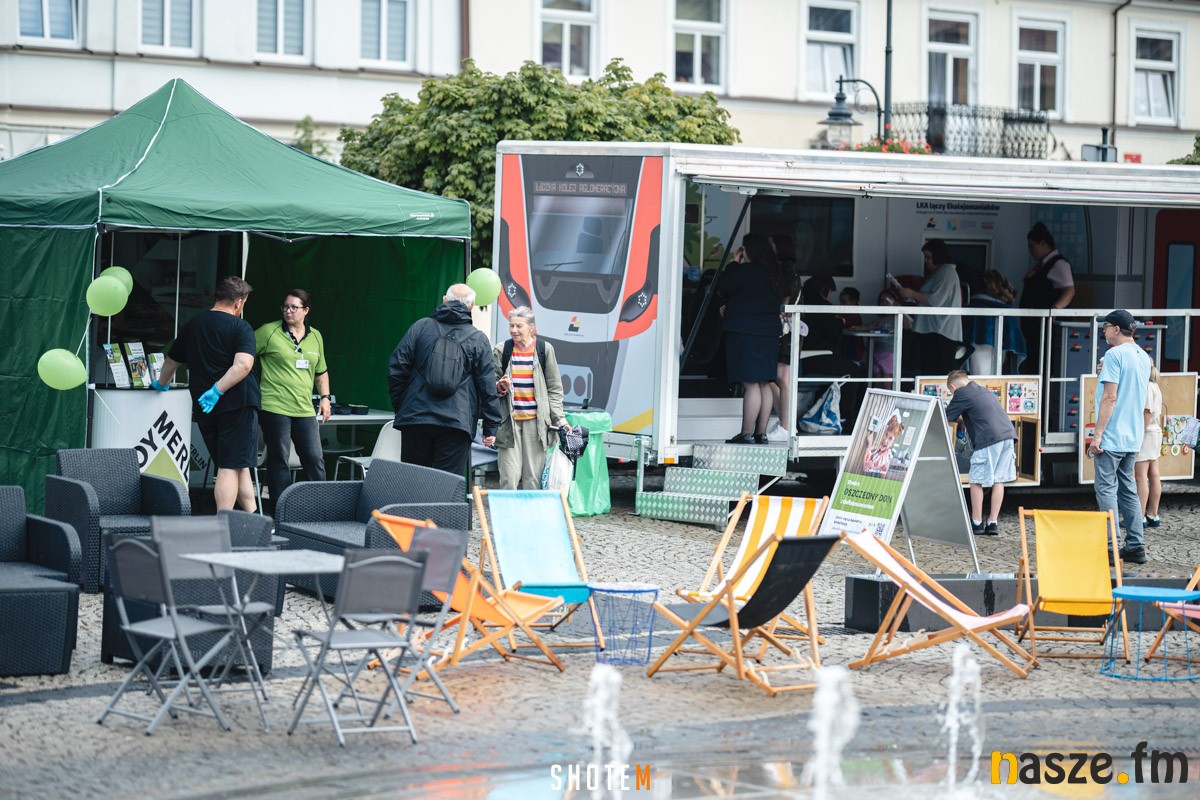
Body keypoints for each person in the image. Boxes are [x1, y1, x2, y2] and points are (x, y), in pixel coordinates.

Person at [153, 276, 260, 512]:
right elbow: (243, 365)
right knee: (229, 466)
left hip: (205, 405)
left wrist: (161, 384)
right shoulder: (240, 327)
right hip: (236, 404)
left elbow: (171, 361)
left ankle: (254, 519)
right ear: (239, 302)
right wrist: (217, 390)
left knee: (238, 464)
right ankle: (223, 522)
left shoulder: (193, 325)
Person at [387, 283, 501, 477]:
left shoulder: (421, 327)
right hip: (457, 422)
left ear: (445, 300)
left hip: (416, 417)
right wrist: (490, 427)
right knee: (447, 484)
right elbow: (487, 385)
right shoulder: (478, 338)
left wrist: (402, 405)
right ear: (472, 306)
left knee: (412, 482)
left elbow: (397, 367)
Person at [254, 289, 332, 509]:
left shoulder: (316, 336)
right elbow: (243, 355)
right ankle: (282, 511)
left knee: (314, 459)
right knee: (279, 459)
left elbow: (321, 371)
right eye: (285, 307)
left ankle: (320, 510)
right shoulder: (268, 332)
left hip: (304, 409)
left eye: (294, 307)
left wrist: (325, 398)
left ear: (306, 310)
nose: (288, 311)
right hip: (274, 406)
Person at [717, 233, 797, 444]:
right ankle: (761, 433)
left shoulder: (745, 271)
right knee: (764, 382)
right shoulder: (775, 273)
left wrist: (734, 262)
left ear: (748, 250)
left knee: (750, 383)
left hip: (744, 331)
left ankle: (746, 433)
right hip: (769, 332)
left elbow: (723, 286)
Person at [1088, 310, 1151, 564]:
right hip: (1132, 435)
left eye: (1105, 327)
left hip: (1112, 435)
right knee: (1128, 490)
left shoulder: (1114, 354)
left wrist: (1097, 435)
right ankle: (1136, 544)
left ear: (1116, 329)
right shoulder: (1143, 356)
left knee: (1106, 489)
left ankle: (1111, 545)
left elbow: (1110, 397)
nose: (1103, 331)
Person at [493, 306, 569, 489]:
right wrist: (500, 386)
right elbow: (489, 387)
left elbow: (554, 388)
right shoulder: (501, 350)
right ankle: (507, 509)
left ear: (531, 328)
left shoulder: (544, 349)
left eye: (519, 326)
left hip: (536, 424)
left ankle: (531, 509)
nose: (514, 330)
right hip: (508, 423)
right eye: (511, 325)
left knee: (533, 479)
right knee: (508, 478)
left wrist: (559, 419)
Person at [944, 370, 1017, 535]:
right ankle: (992, 523)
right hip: (1008, 436)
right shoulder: (983, 391)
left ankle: (976, 522)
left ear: (953, 387)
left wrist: (960, 420)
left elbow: (946, 417)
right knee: (999, 480)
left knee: (976, 480)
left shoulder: (961, 393)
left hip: (988, 439)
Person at [899, 239, 962, 375]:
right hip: (933, 330)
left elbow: (935, 300)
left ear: (938, 256)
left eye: (928, 257)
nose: (926, 261)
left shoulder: (947, 273)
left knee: (937, 373)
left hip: (941, 332)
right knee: (929, 372)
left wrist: (913, 294)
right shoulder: (939, 273)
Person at [1019, 221, 1075, 375]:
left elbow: (1069, 291)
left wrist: (1054, 310)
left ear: (1043, 243)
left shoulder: (1059, 264)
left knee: (1045, 366)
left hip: (1047, 329)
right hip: (1035, 330)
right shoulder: (1042, 265)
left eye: (1032, 246)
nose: (1030, 250)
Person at [766, 233, 802, 442]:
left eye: (772, 245)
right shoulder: (789, 268)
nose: (769, 248)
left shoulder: (786, 268)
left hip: (787, 331)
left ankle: (786, 425)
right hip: (789, 331)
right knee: (777, 378)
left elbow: (788, 293)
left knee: (780, 379)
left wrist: (781, 308)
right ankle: (786, 423)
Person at [966, 270, 1026, 375]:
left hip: (978, 346)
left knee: (980, 374)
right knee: (995, 374)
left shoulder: (974, 305)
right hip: (1000, 346)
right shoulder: (1006, 309)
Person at [1136, 365, 1164, 530]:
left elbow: (1146, 412)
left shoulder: (1146, 386)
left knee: (1140, 477)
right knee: (1154, 474)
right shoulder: (1155, 386)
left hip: (1146, 433)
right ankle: (1153, 514)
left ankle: (1139, 518)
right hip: (1156, 432)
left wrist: (1139, 435)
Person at [863, 411, 903, 478]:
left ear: (893, 442)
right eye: (886, 434)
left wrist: (869, 445)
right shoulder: (882, 451)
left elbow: (866, 467)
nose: (885, 440)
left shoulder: (885, 457)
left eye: (890, 438)